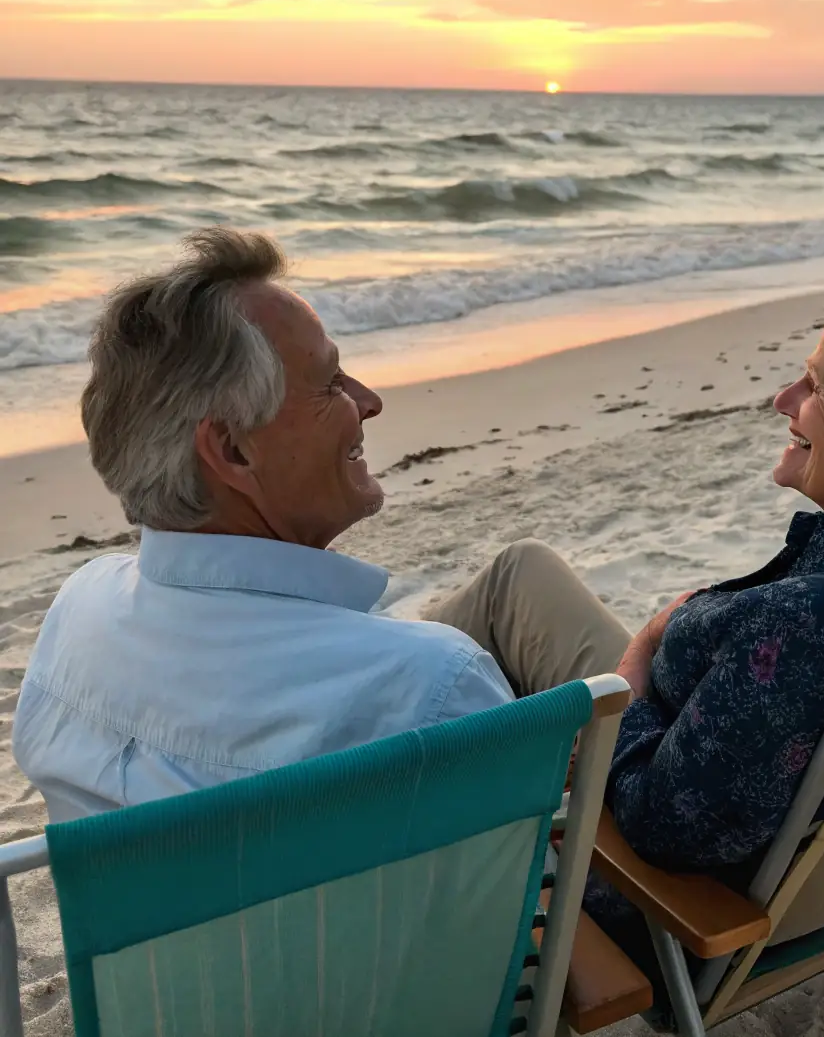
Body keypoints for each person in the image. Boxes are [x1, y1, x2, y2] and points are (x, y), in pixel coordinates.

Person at [427, 269, 824, 983]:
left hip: (658, 907)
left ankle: (345, 755)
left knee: (487, 613)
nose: (784, 400)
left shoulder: (802, 628)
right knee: (520, 574)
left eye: (815, 386)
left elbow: (660, 828)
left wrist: (638, 664)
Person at [13, 228, 518, 822]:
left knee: (519, 576)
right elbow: (529, 861)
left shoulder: (81, 607)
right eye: (331, 383)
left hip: (160, 886)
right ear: (233, 450)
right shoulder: (433, 687)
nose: (369, 401)